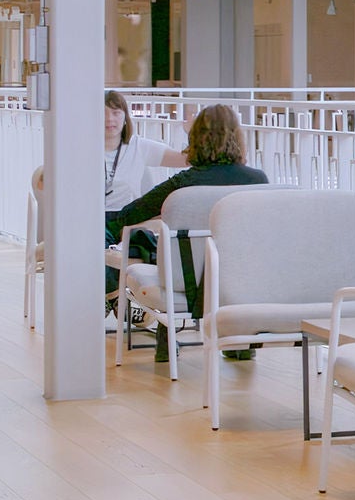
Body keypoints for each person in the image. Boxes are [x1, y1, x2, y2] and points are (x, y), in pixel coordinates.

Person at [108, 104, 268, 360]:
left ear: (195, 140)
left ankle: (165, 335)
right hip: (243, 281)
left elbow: (127, 216)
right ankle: (241, 342)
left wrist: (164, 213)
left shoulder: (182, 185)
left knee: (163, 246)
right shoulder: (258, 181)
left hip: (187, 282)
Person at [102, 91, 187, 211]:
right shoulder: (82, 149)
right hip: (88, 218)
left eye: (116, 113)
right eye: (103, 113)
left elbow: (184, 160)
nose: (109, 119)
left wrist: (193, 133)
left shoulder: (139, 146)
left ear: (125, 117)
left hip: (124, 220)